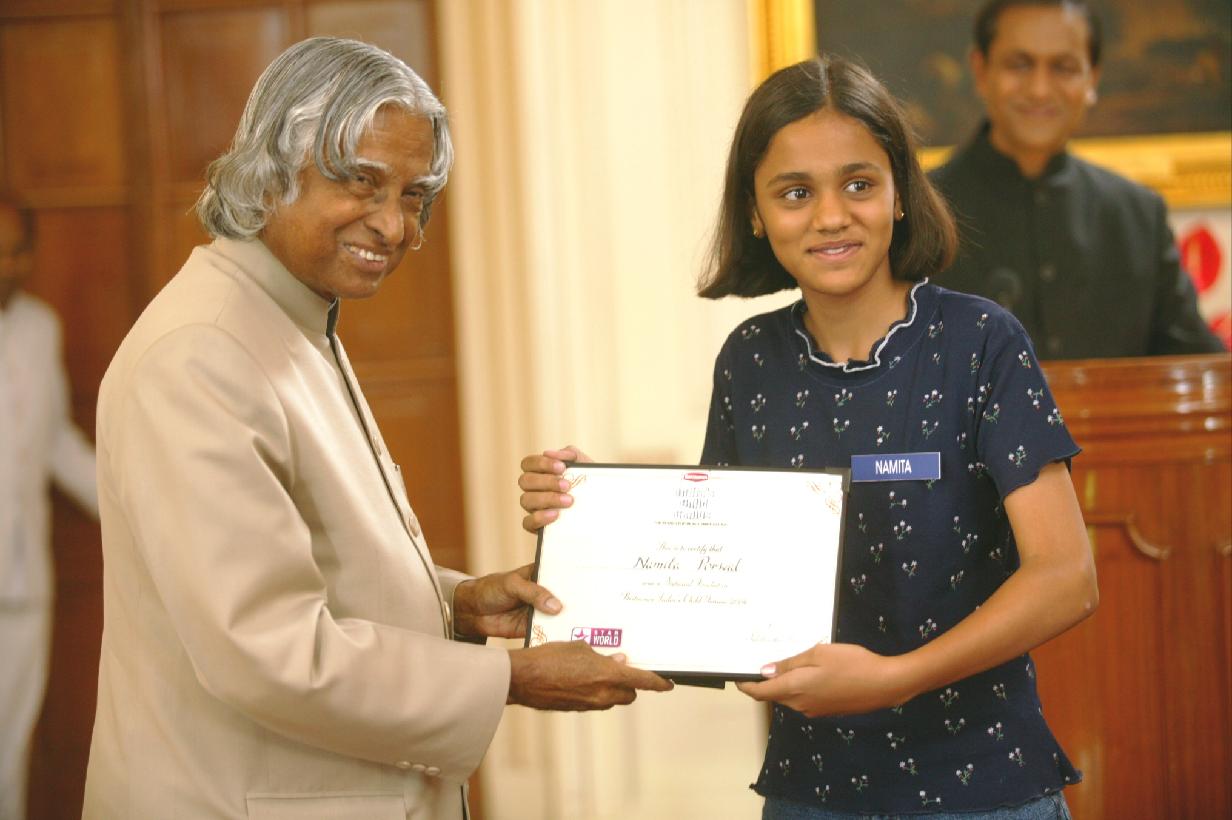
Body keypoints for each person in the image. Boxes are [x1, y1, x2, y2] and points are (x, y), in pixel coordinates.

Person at [82, 37, 670, 820]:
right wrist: (512, 679)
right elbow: (267, 649)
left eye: (415, 195)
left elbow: (317, 566)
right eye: (361, 182)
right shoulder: (202, 353)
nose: (394, 226)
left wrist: (458, 603)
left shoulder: (287, 318)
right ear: (273, 168)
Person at [519, 55, 1098, 818]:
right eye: (795, 193)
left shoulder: (982, 342)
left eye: (858, 184)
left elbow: (1067, 577)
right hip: (810, 793)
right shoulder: (749, 359)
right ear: (756, 213)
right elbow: (711, 572)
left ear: (900, 193)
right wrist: (594, 511)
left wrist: (895, 678)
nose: (830, 216)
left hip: (985, 788)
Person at [930, 0, 1223, 360]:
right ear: (980, 70)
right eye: (1019, 64)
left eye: (1063, 68)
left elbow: (1200, 367)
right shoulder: (918, 212)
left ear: (1092, 78)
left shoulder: (1139, 216)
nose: (1039, 89)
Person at [0, 197, 99, 820]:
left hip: (25, 580)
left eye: (15, 252)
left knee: (11, 752)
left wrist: (127, 503)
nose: (5, 265)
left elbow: (55, 439)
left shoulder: (40, 328)